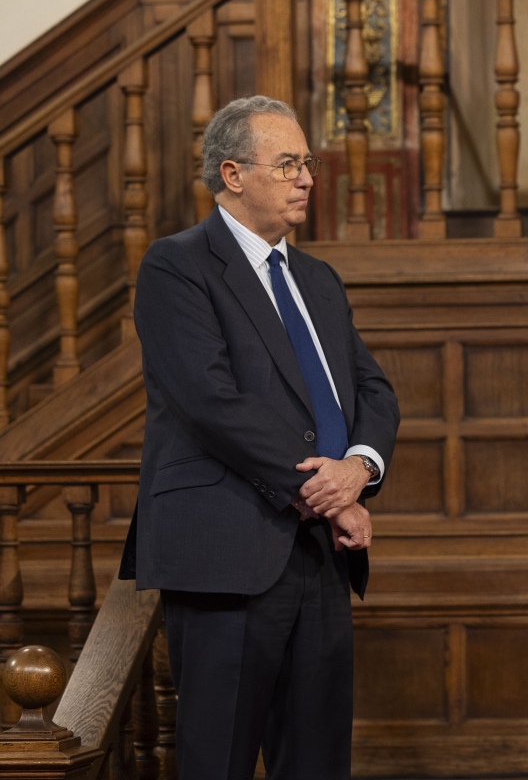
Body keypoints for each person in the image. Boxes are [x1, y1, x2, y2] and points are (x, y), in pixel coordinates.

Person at [118, 96, 401, 780]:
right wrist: (329, 491)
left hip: (320, 558)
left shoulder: (317, 279)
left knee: (317, 761)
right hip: (228, 554)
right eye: (287, 164)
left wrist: (359, 469)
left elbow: (373, 393)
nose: (306, 178)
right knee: (218, 761)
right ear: (233, 174)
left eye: (307, 163)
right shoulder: (177, 266)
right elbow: (213, 402)